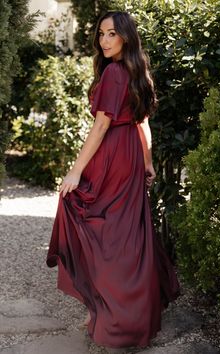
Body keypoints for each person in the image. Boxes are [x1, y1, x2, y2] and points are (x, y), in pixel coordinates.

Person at [46, 11, 179, 353]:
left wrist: (75, 170)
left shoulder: (116, 74)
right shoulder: (136, 71)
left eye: (111, 34)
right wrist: (147, 162)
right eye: (101, 34)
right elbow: (142, 123)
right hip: (131, 158)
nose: (104, 41)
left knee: (102, 231)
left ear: (125, 37)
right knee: (129, 234)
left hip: (113, 158)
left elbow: (102, 126)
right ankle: (124, 315)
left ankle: (114, 317)